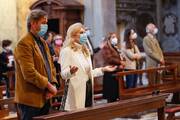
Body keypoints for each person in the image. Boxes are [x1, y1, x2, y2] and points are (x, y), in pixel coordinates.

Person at [59, 23, 117, 111]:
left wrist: (103, 69)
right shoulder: (67, 51)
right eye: (81, 33)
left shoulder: (85, 50)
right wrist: (70, 72)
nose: (84, 35)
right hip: (75, 92)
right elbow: (63, 74)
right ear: (73, 35)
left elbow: (88, 73)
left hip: (88, 89)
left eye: (85, 32)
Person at [14, 9, 58, 120]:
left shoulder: (43, 42)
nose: (46, 26)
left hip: (45, 96)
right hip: (30, 99)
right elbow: (29, 73)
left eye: (46, 23)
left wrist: (53, 84)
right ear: (33, 23)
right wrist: (49, 86)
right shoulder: (24, 43)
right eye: (43, 23)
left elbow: (50, 66)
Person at [100, 32, 125, 103]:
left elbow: (120, 56)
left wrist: (122, 61)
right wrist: (120, 62)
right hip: (110, 73)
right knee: (111, 96)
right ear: (109, 39)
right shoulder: (106, 47)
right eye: (113, 37)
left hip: (116, 72)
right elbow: (109, 59)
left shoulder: (115, 47)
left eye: (115, 37)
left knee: (116, 95)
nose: (115, 39)